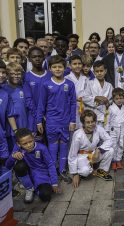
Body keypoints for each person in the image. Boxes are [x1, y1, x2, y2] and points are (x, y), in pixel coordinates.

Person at [37, 55, 77, 183]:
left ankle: (62, 171)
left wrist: (72, 121)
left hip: (65, 122)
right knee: (53, 146)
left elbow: (73, 103)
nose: (57, 69)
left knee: (64, 146)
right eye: (54, 67)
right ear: (50, 69)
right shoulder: (46, 84)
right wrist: (38, 121)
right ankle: (53, 170)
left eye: (60, 66)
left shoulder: (70, 84)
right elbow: (41, 104)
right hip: (51, 122)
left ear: (64, 68)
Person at [5, 128, 59, 203]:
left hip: (41, 175)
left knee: (46, 196)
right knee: (19, 166)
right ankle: (29, 188)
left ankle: (36, 188)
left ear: (33, 138)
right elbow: (8, 166)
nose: (29, 145)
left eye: (30, 141)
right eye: (25, 144)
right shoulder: (17, 148)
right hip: (28, 173)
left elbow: (50, 164)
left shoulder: (42, 148)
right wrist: (13, 156)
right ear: (18, 144)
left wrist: (54, 182)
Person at [68, 110, 113, 187]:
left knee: (110, 150)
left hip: (93, 154)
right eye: (87, 122)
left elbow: (109, 140)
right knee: (85, 172)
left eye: (92, 121)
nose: (91, 124)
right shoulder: (78, 134)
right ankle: (82, 171)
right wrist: (74, 174)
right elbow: (72, 155)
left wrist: (99, 150)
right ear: (83, 123)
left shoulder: (98, 128)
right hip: (82, 157)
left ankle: (101, 170)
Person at [23, 47, 51, 139]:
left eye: (40, 56)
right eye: (34, 57)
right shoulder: (26, 77)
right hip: (33, 116)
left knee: (52, 144)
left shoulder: (50, 74)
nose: (37, 59)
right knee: (37, 143)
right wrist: (38, 116)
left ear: (44, 57)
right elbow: (28, 99)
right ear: (29, 59)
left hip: (51, 115)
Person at [3, 63, 28, 151]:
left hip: (23, 124)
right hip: (10, 127)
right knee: (12, 150)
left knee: (23, 151)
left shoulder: (23, 88)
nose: (16, 76)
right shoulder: (3, 89)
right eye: (12, 74)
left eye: (18, 74)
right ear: (7, 74)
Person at [83, 60, 113, 126]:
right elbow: (84, 98)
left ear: (105, 71)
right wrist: (96, 98)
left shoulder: (109, 85)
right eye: (97, 71)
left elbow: (110, 100)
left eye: (101, 71)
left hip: (105, 116)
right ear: (94, 72)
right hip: (93, 115)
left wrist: (107, 102)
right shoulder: (89, 83)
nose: (99, 73)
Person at [0, 61, 17, 163]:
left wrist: (16, 131)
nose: (1, 75)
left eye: (3, 72)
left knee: (4, 159)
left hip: (2, 135)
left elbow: (10, 114)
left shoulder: (5, 93)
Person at [66, 55, 88, 128]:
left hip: (84, 106)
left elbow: (88, 94)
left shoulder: (85, 78)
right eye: (74, 64)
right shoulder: (66, 79)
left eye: (79, 64)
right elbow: (65, 95)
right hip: (71, 108)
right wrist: (75, 98)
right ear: (69, 65)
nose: (77, 66)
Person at [107, 88, 124, 170]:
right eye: (117, 99)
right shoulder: (111, 108)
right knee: (114, 145)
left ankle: (119, 160)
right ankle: (113, 161)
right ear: (113, 99)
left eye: (121, 98)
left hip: (122, 128)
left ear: (123, 98)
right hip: (113, 129)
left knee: (121, 145)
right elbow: (107, 120)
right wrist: (107, 130)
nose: (119, 100)